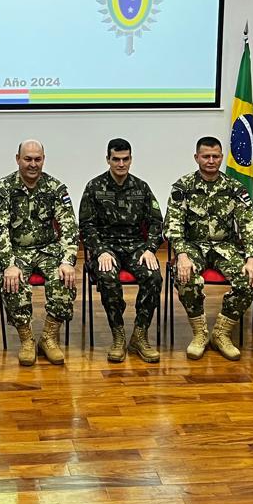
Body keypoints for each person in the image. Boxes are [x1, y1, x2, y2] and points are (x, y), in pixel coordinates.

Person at [166, 136, 253, 361]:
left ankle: (221, 333)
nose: (211, 161)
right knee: (186, 277)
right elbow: (173, 224)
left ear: (221, 157)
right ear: (196, 157)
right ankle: (200, 333)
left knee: (249, 279)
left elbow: (249, 223)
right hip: (192, 246)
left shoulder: (234, 187)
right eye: (206, 156)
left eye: (215, 156)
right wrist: (181, 254)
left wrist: (251, 258)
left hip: (225, 246)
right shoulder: (183, 186)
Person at [0, 140, 78, 366]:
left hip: (48, 250)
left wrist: (67, 260)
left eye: (37, 159)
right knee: (12, 281)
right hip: (16, 251)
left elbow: (69, 225)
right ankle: (26, 339)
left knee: (64, 279)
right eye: (28, 159)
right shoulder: (4, 188)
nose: (33, 164)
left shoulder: (55, 187)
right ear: (18, 159)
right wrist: (8, 264)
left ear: (43, 160)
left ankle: (48, 337)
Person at [78, 138, 163, 363]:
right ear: (108, 159)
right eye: (116, 159)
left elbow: (156, 222)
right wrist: (100, 251)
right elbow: (86, 225)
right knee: (107, 277)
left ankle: (140, 334)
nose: (121, 164)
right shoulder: (94, 187)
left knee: (154, 277)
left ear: (131, 159)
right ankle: (118, 334)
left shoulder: (141, 187)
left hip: (136, 247)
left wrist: (150, 249)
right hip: (106, 247)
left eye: (125, 159)